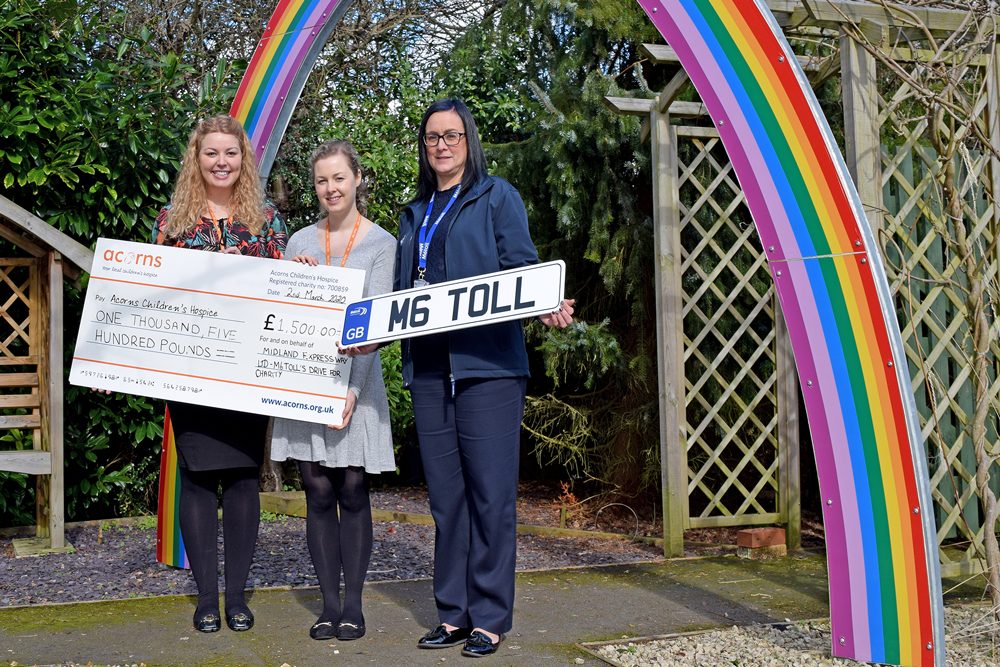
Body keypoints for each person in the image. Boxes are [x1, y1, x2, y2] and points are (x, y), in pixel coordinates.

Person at [395, 98, 574, 657]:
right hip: (429, 370)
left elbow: (520, 265)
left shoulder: (497, 196)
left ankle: (491, 618)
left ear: (469, 140)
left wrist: (543, 302)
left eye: (451, 135)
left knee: (491, 497)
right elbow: (400, 297)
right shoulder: (413, 213)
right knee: (446, 501)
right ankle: (452, 614)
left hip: (488, 369)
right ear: (424, 149)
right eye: (431, 138)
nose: (441, 145)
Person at [151, 114, 288, 633]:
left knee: (243, 479)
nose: (222, 162)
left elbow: (287, 288)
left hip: (248, 373)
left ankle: (238, 597)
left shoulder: (265, 220)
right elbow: (148, 297)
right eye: (212, 153)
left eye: (230, 153)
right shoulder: (173, 221)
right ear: (197, 158)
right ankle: (206, 598)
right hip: (188, 373)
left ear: (243, 159)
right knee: (199, 479)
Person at [270, 140, 396, 642]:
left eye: (339, 178)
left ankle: (355, 606)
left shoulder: (382, 244)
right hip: (305, 384)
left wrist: (350, 392)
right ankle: (326, 606)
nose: (331, 189)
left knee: (351, 488)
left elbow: (378, 326)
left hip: (356, 387)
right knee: (317, 491)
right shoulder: (298, 241)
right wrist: (292, 281)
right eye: (322, 181)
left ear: (357, 178)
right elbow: (280, 317)